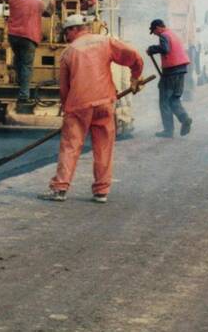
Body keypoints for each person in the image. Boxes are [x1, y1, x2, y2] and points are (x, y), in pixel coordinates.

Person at [44, 13, 144, 204]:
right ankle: (101, 192)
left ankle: (60, 189)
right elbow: (133, 56)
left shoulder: (68, 52)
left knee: (71, 146)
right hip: (105, 103)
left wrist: (66, 109)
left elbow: (64, 87)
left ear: (74, 29)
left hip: (78, 106)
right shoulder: (105, 42)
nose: (66, 37)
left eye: (67, 32)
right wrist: (135, 77)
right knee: (104, 147)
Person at [147, 18, 193, 138]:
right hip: (181, 71)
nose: (155, 34)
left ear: (158, 28)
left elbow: (165, 49)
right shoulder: (173, 34)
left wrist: (152, 49)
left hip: (171, 73)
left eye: (154, 31)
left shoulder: (164, 35)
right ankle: (185, 118)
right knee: (174, 99)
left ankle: (168, 130)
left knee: (164, 102)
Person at [7, 0, 45, 114]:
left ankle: (17, 80)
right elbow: (48, 13)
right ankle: (23, 96)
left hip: (13, 35)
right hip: (28, 36)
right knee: (26, 66)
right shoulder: (37, 2)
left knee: (18, 58)